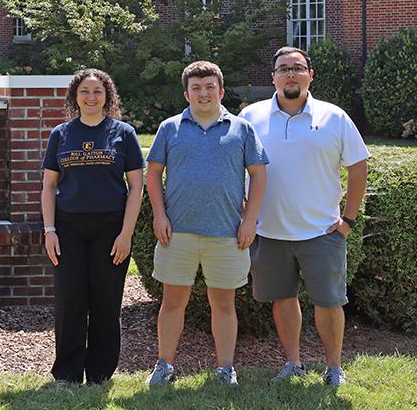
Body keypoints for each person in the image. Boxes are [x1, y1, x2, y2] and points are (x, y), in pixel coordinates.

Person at [240, 46, 369, 388]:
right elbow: (237, 166)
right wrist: (245, 211)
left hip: (322, 232)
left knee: (329, 302)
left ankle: (334, 367)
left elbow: (358, 168)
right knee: (283, 299)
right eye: (284, 69)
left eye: (298, 68)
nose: (291, 74)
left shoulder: (334, 117)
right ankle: (292, 362)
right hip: (269, 232)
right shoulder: (251, 117)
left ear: (310, 75)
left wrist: (348, 221)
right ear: (273, 78)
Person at [145, 61, 268, 387]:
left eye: (209, 87)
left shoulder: (241, 129)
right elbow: (153, 172)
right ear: (186, 93)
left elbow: (258, 175)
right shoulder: (169, 128)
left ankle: (225, 368)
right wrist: (159, 214)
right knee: (172, 303)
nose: (203, 93)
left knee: (224, 304)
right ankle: (164, 365)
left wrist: (250, 220)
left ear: (221, 91)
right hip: (177, 232)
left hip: (227, 233)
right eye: (196, 88)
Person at [40, 68, 145, 384]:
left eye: (97, 91)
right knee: (70, 301)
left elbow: (136, 187)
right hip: (68, 229)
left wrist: (126, 234)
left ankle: (100, 372)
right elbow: (49, 186)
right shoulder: (61, 134)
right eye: (84, 91)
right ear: (75, 95)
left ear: (107, 96)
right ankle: (68, 373)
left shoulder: (123, 133)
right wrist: (49, 231)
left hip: (111, 229)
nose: (91, 97)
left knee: (106, 302)